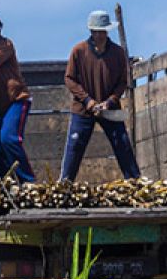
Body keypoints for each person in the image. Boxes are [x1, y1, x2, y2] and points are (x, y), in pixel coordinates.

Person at [59, 10, 141, 181]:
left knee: (122, 143)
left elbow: (122, 81)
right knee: (74, 145)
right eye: (97, 32)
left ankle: (134, 181)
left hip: (109, 107)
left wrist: (110, 101)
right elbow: (70, 79)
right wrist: (87, 100)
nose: (101, 35)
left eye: (103, 31)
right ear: (92, 32)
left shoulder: (118, 52)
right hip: (83, 109)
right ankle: (65, 183)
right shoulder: (79, 51)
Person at [0, 12, 35, 183]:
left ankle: (28, 182)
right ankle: (6, 180)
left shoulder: (5, 45)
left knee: (9, 139)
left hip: (17, 101)